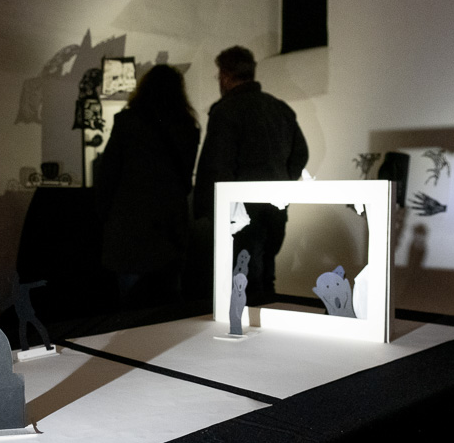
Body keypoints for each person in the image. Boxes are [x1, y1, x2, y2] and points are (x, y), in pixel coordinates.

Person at [193, 45, 309, 303]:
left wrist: (208, 211)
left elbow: (216, 166)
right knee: (265, 277)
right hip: (275, 209)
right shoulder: (280, 109)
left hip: (240, 213)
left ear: (225, 76)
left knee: (241, 282)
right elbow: (301, 154)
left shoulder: (226, 110)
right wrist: (283, 183)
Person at [95, 64, 201, 308]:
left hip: (130, 225)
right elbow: (185, 181)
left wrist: (104, 216)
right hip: (170, 227)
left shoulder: (128, 122)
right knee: (167, 301)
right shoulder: (188, 127)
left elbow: (108, 174)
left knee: (132, 304)